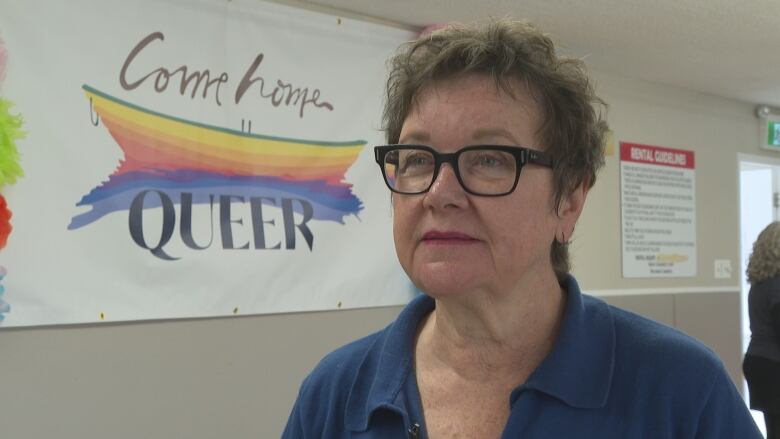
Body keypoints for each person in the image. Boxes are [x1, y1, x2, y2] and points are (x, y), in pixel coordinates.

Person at [283, 19, 761, 438]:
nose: (438, 192)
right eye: (415, 159)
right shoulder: (335, 395)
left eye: (488, 158)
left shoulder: (680, 392)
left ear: (570, 199)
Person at [745, 221, 780, 438]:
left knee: (773, 428)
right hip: (774, 365)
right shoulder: (777, 287)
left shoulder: (758, 285)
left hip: (757, 362)